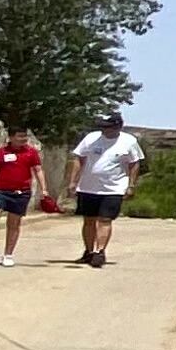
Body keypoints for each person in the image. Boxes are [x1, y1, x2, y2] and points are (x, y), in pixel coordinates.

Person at [67, 114, 145, 268]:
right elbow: (78, 158)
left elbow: (134, 163)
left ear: (118, 127)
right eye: (102, 126)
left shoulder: (129, 141)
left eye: (107, 127)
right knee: (88, 220)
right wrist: (73, 181)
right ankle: (88, 251)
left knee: (104, 219)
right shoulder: (91, 138)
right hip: (88, 187)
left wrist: (131, 185)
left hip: (113, 188)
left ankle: (99, 251)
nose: (104, 130)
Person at [0, 126, 44, 267]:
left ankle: (8, 254)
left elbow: (38, 170)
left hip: (20, 192)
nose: (23, 139)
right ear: (11, 138)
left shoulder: (31, 152)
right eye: (20, 136)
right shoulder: (0, 152)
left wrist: (44, 189)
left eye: (25, 136)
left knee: (13, 223)